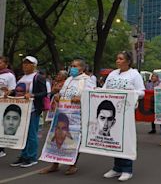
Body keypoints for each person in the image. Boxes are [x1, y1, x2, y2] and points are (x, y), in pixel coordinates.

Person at [40, 58, 95, 175]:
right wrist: (57, 96)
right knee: (56, 138)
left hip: (76, 115)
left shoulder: (87, 80)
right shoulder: (69, 79)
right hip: (62, 113)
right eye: (71, 66)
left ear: (82, 68)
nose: (72, 68)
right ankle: (54, 164)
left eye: (75, 66)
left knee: (73, 139)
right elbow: (62, 93)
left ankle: (72, 164)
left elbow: (92, 95)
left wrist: (81, 98)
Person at [102, 51, 145, 182]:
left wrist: (128, 93)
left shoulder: (134, 74)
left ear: (128, 61)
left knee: (126, 139)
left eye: (120, 59)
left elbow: (141, 92)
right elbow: (104, 89)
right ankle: (117, 168)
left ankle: (127, 169)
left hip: (125, 112)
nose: (117, 61)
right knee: (115, 139)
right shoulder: (112, 73)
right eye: (117, 58)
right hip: (112, 111)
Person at [8, 56, 47, 168]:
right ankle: (23, 156)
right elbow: (18, 91)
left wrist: (33, 95)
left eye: (28, 63)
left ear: (34, 65)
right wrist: (10, 93)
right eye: (24, 63)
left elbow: (44, 93)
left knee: (31, 134)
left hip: (33, 110)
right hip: (21, 110)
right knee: (23, 135)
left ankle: (32, 157)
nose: (25, 65)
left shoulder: (38, 77)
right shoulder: (22, 77)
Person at [0, 56, 16, 157]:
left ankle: (1, 149)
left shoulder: (9, 75)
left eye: (0, 62)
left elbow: (13, 89)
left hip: (3, 103)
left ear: (6, 64)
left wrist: (8, 91)